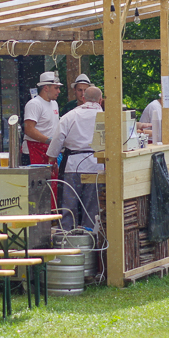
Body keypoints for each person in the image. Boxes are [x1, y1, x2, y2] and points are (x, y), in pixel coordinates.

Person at [46, 86, 104, 231]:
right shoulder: (106, 118)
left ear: (83, 99)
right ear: (100, 100)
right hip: (97, 166)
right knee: (92, 208)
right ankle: (89, 238)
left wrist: (51, 160)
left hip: (72, 166)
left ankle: (67, 236)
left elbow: (58, 139)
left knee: (69, 207)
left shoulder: (70, 116)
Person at [22, 71, 62, 208]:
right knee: (37, 189)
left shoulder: (54, 104)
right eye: (56, 88)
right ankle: (38, 215)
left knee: (51, 185)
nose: (59, 91)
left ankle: (51, 213)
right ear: (46, 87)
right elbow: (29, 129)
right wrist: (49, 140)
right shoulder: (34, 104)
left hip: (49, 150)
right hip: (35, 151)